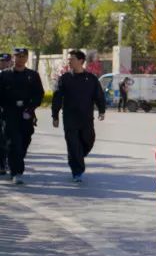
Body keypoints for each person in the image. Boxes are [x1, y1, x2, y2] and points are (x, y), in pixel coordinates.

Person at [52, 50, 106, 182]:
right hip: (70, 118)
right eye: (69, 59)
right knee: (73, 144)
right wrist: (55, 115)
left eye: (72, 59)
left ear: (81, 61)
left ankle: (77, 157)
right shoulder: (65, 78)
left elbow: (99, 96)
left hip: (86, 118)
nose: (69, 61)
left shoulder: (91, 79)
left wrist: (101, 111)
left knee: (88, 141)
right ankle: (77, 171)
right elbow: (57, 98)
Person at [0, 47, 45, 185]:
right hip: (9, 113)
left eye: (23, 56)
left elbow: (39, 94)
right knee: (15, 143)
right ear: (13, 58)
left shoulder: (32, 75)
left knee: (24, 141)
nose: (20, 59)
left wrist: (31, 108)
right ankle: (16, 172)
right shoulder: (4, 75)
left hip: (27, 114)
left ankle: (15, 160)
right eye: (17, 56)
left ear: (26, 58)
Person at [0, 52, 10, 176]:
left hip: (10, 111)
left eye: (4, 61)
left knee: (8, 137)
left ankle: (8, 160)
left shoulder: (13, 75)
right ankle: (2, 163)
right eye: (1, 61)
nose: (2, 63)